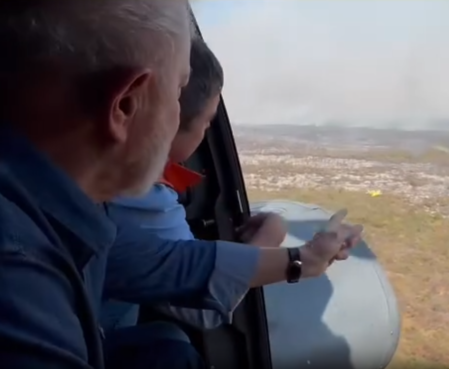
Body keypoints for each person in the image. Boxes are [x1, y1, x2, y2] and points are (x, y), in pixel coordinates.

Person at [0, 2, 363, 369]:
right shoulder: (18, 279)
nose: (179, 116)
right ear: (125, 104)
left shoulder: (46, 208)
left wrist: (304, 259)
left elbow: (156, 263)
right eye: (178, 90)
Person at [100, 37, 287, 332]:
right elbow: (201, 307)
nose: (208, 128)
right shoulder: (137, 193)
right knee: (170, 345)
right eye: (206, 120)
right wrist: (268, 241)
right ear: (168, 118)